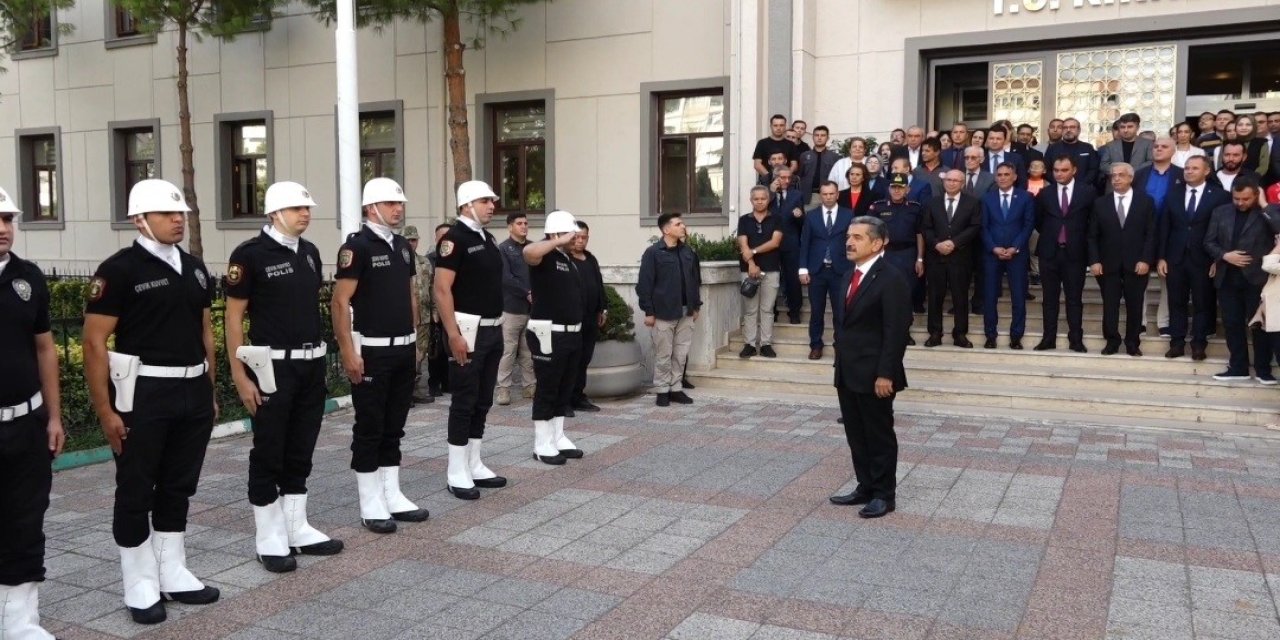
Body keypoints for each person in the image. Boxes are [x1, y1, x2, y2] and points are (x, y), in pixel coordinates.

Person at [83, 179, 220, 624]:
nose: (178, 219)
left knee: (179, 484)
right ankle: (140, 581)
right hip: (144, 393)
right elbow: (94, 342)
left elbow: (204, 330)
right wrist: (106, 410)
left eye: (181, 213)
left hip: (192, 389)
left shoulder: (196, 268)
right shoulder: (120, 270)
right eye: (166, 213)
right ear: (139, 219)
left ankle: (172, 569)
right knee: (137, 487)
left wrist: (210, 390)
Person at [224, 181, 343, 574]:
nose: (305, 214)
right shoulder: (250, 255)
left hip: (310, 365)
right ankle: (269, 536)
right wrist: (240, 375)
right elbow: (233, 318)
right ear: (275, 213)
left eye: (307, 208)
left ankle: (296, 526)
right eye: (296, 209)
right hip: (270, 367)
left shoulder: (309, 253)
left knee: (301, 448)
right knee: (269, 449)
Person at [332, 178, 430, 531]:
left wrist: (416, 341)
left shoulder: (403, 246)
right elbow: (340, 301)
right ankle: (370, 501)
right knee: (370, 427)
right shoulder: (356, 248)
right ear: (371, 208)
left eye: (400, 203)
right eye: (390, 203)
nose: (398, 209)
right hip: (371, 351)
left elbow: (411, 295)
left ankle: (392, 493)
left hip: (403, 348)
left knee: (394, 426)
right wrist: (348, 350)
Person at [0, 186, 63, 639]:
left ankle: (21, 621)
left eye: (8, 220)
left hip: (26, 424)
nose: (3, 229)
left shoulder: (29, 278)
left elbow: (45, 348)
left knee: (26, 522)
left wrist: (54, 418)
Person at [827, 215, 910, 519]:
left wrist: (886, 372)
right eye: (849, 236)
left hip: (876, 374)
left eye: (858, 237)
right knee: (856, 434)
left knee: (878, 435)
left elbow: (896, 330)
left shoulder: (892, 277)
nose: (849, 242)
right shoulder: (849, 275)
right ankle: (865, 485)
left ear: (877, 243)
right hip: (848, 371)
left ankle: (884, 495)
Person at [433, 180, 509, 499]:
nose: (492, 205)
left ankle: (474, 463)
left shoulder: (486, 238)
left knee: (482, 399)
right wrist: (453, 334)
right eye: (484, 201)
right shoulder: (454, 239)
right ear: (466, 205)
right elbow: (441, 289)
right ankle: (456, 470)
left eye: (492, 201)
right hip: (467, 329)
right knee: (464, 400)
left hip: (493, 329)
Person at [521, 210, 586, 465]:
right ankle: (542, 443)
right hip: (548, 332)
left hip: (570, 333)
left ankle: (557, 436)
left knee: (564, 387)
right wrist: (557, 240)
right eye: (570, 234)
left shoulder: (567, 259)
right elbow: (529, 253)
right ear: (557, 233)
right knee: (547, 387)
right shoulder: (545, 255)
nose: (575, 238)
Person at [1205, 177, 1279, 383]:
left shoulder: (1266, 213)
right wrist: (1225, 255)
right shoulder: (1221, 212)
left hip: (1258, 279)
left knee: (1260, 325)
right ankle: (1238, 367)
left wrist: (1264, 205)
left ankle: (1263, 369)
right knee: (1232, 324)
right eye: (1236, 198)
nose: (1240, 203)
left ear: (1256, 195)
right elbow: (1209, 241)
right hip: (1227, 277)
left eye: (1245, 199)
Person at [1159, 156, 1230, 360]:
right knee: (1176, 302)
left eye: (1194, 168)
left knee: (1203, 302)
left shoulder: (1219, 196)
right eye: (1187, 168)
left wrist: (1218, 259)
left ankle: (1199, 344)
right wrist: (1162, 257)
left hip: (1204, 259)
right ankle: (1177, 343)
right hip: (1176, 257)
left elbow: (1224, 230)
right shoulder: (1173, 194)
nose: (1189, 171)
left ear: (1207, 171)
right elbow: (1165, 226)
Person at [1089, 164, 1157, 356]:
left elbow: (1151, 234)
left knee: (1134, 305)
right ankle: (1111, 340)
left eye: (1121, 175)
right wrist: (1094, 261)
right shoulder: (1101, 203)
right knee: (1110, 305)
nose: (1116, 179)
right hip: (1108, 263)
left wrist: (1146, 259)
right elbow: (1092, 235)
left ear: (1131, 178)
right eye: (1113, 176)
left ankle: (1132, 342)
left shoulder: (1145, 202)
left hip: (1136, 264)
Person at [1035, 156, 1098, 352]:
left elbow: (1093, 223)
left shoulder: (1087, 192)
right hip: (1049, 253)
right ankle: (1048, 338)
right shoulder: (1044, 193)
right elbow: (1039, 221)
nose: (1059, 174)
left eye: (1064, 170)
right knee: (1049, 299)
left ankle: (1076, 339)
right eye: (1056, 170)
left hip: (1075, 253)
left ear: (1074, 170)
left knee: (1074, 299)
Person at [637, 213, 701, 406]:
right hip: (663, 313)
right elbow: (644, 284)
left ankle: (676, 388)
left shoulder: (688, 251)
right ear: (666, 229)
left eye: (682, 223)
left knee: (681, 353)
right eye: (678, 224)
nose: (683, 226)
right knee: (663, 354)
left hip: (686, 312)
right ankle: (662, 391)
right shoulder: (653, 253)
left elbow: (696, 281)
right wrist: (649, 311)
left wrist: (696, 306)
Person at [921, 170, 981, 347]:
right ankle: (935, 333)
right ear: (943, 182)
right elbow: (926, 227)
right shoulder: (932, 203)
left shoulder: (973, 203)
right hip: (935, 257)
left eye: (956, 180)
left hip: (960, 257)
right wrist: (936, 244)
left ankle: (960, 334)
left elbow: (975, 227)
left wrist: (954, 243)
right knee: (934, 296)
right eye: (949, 180)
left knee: (960, 297)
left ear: (962, 183)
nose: (952, 183)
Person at [980, 163, 1035, 350]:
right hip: (992, 254)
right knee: (989, 296)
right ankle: (990, 335)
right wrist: (993, 247)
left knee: (1018, 296)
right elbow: (983, 227)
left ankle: (1016, 336)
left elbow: (1028, 225)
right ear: (995, 177)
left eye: (1006, 174)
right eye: (999, 174)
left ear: (1014, 176)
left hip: (1017, 255)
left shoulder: (1026, 197)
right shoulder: (987, 198)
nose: (1002, 177)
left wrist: (1015, 247)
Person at [800, 182, 855, 359]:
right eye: (825, 194)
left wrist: (855, 268)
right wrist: (802, 269)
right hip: (817, 270)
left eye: (831, 194)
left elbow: (855, 243)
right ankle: (816, 345)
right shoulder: (811, 216)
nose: (828, 197)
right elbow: (805, 243)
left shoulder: (849, 215)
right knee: (817, 311)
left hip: (841, 270)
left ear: (837, 194)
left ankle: (841, 345)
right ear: (820, 196)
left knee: (841, 311)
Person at [868, 173, 926, 323]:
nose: (897, 191)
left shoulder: (915, 207)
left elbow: (920, 234)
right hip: (885, 254)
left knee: (906, 292)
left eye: (900, 187)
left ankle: (904, 330)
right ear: (889, 188)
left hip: (908, 254)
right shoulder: (878, 206)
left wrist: (920, 258)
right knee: (884, 291)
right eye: (893, 187)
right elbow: (870, 232)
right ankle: (884, 327)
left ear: (907, 189)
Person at [738, 186, 784, 358]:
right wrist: (751, 263)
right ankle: (749, 344)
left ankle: (765, 344)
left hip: (771, 269)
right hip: (748, 271)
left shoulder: (777, 219)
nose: (759, 201)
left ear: (768, 199)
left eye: (762, 198)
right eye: (756, 199)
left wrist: (754, 252)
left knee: (767, 309)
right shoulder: (744, 220)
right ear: (751, 200)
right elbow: (743, 244)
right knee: (750, 310)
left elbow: (775, 242)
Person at [496, 212, 535, 406]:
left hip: (532, 309)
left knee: (528, 351)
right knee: (508, 351)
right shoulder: (503, 249)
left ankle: (530, 386)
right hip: (511, 308)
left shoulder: (532, 247)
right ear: (510, 226)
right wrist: (526, 292)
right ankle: (503, 389)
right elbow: (505, 277)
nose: (524, 226)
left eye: (526, 223)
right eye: (519, 223)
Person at [569, 220, 605, 414]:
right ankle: (564, 400)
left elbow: (599, 285)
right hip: (570, 319)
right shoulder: (564, 260)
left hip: (590, 318)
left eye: (584, 237)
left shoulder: (590, 259)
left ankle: (578, 396)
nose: (580, 241)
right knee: (570, 360)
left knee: (584, 359)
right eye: (576, 237)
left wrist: (603, 309)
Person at [770, 165, 807, 324]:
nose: (786, 181)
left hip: (791, 243)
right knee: (770, 280)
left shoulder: (796, 195)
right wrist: (771, 192)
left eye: (788, 178)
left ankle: (794, 312)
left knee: (793, 279)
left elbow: (803, 222)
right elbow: (761, 211)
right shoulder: (765, 193)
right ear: (775, 177)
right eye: (782, 178)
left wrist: (800, 216)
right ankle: (772, 312)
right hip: (770, 244)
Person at [405, 225, 437, 404]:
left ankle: (415, 389)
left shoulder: (425, 262)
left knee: (420, 354)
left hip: (424, 316)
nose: (412, 243)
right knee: (407, 355)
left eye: (414, 240)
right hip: (405, 318)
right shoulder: (398, 261)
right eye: (408, 240)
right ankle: (405, 392)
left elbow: (431, 288)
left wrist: (434, 311)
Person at [426, 223, 452, 397]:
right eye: (441, 236)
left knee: (451, 347)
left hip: (453, 309)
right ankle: (434, 383)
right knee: (436, 350)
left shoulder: (458, 256)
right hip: (434, 311)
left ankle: (448, 382)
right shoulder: (429, 260)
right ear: (436, 239)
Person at [1045, 117, 1101, 188]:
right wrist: (1059, 183)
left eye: (1072, 127)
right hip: (1058, 189)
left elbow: (1093, 169)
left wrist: (1082, 185)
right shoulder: (1053, 148)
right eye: (1065, 128)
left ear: (1079, 130)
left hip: (1083, 189)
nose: (1068, 130)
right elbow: (1046, 169)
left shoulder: (1087, 148)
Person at [1100, 113, 1154, 184]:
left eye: (1130, 127)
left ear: (1137, 127)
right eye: (1122, 127)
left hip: (1140, 183)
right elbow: (1103, 165)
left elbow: (1151, 162)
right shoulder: (1110, 145)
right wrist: (1119, 172)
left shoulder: (1148, 144)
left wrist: (1130, 171)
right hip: (1115, 185)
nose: (1125, 130)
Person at [798, 125, 839, 207]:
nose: (819, 138)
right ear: (813, 137)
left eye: (823, 135)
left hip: (828, 195)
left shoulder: (834, 157)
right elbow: (800, 176)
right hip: (809, 196)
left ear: (827, 138)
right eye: (817, 135)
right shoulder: (804, 155)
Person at [753, 114, 798, 179]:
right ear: (771, 126)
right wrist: (771, 178)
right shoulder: (762, 143)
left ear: (785, 126)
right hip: (766, 182)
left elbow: (794, 165)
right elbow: (757, 165)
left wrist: (785, 177)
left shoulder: (791, 144)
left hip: (786, 183)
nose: (778, 128)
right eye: (775, 125)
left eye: (781, 125)